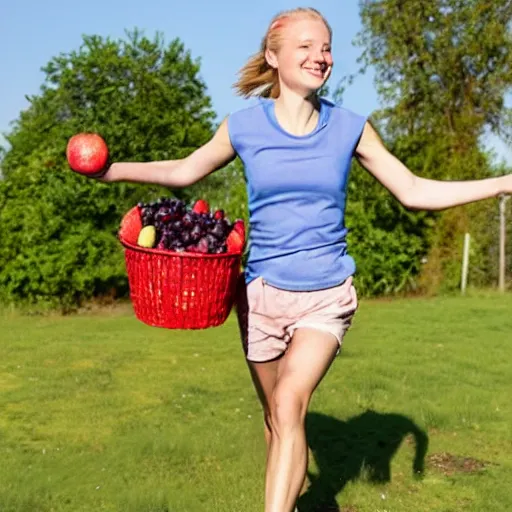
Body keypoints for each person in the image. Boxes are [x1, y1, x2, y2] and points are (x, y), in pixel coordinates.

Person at [94, 7, 512, 512]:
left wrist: (503, 183)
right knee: (277, 420)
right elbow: (186, 171)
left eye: (326, 47)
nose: (321, 57)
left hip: (326, 294)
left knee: (290, 402)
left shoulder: (350, 127)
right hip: (260, 296)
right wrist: (111, 170)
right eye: (306, 47)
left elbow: (413, 190)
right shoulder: (245, 126)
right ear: (274, 57)